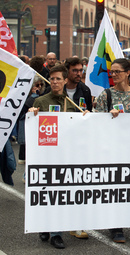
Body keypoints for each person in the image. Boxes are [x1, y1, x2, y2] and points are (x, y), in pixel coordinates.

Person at [28, 65, 80, 249]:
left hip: (64, 158)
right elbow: (33, 130)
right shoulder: (40, 102)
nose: (55, 82)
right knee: (45, 193)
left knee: (60, 195)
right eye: (53, 79)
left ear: (66, 81)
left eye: (59, 79)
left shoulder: (72, 103)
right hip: (45, 156)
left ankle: (56, 234)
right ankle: (44, 224)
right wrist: (32, 116)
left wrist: (86, 118)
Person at [95, 58, 130, 243]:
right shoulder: (106, 95)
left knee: (126, 188)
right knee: (114, 187)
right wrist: (108, 117)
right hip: (111, 148)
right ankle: (116, 227)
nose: (113, 75)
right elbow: (94, 121)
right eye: (111, 72)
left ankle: (121, 220)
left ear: (128, 73)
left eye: (117, 72)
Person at [18, 75, 46, 166]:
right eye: (37, 85)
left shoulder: (43, 95)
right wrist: (34, 96)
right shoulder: (26, 94)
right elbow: (25, 107)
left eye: (41, 85)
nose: (40, 87)